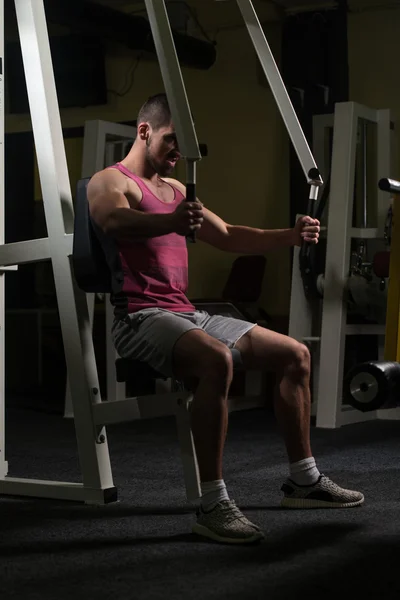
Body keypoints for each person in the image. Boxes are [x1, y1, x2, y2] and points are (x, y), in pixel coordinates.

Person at [88, 93, 364, 545]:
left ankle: (304, 481)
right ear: (144, 132)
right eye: (172, 141)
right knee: (218, 361)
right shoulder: (110, 181)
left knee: (295, 354)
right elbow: (113, 222)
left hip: (185, 312)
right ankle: (212, 503)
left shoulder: (176, 191)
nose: (179, 153)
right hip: (138, 316)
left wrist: (292, 236)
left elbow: (231, 236)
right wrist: (171, 222)